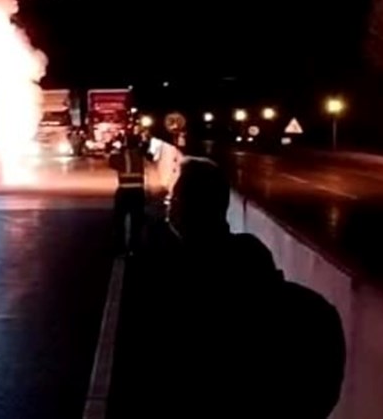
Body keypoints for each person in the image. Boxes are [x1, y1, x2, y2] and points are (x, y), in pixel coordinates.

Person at [135, 157, 345, 419]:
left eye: (173, 201)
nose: (169, 210)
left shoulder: (174, 303)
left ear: (184, 212)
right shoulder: (312, 311)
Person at [110, 130, 147, 254]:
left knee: (119, 221)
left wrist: (114, 147)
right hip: (138, 192)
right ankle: (135, 247)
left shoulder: (121, 154)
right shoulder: (141, 154)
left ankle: (120, 247)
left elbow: (112, 163)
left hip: (124, 192)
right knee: (137, 222)